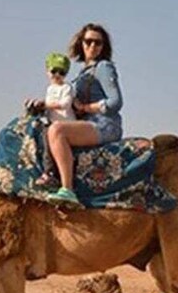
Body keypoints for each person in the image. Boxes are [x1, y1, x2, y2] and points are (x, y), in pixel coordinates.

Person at [45, 22, 124, 206]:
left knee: (57, 132)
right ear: (81, 43)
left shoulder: (104, 67)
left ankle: (67, 189)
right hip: (87, 123)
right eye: (88, 41)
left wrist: (87, 108)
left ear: (103, 47)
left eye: (98, 43)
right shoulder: (81, 74)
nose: (93, 46)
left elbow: (115, 102)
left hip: (104, 124)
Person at [35, 52, 75, 187]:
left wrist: (46, 104)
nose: (57, 75)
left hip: (65, 125)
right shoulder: (50, 89)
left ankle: (50, 173)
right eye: (54, 71)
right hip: (52, 122)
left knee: (48, 140)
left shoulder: (66, 88)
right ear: (47, 71)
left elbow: (65, 104)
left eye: (61, 72)